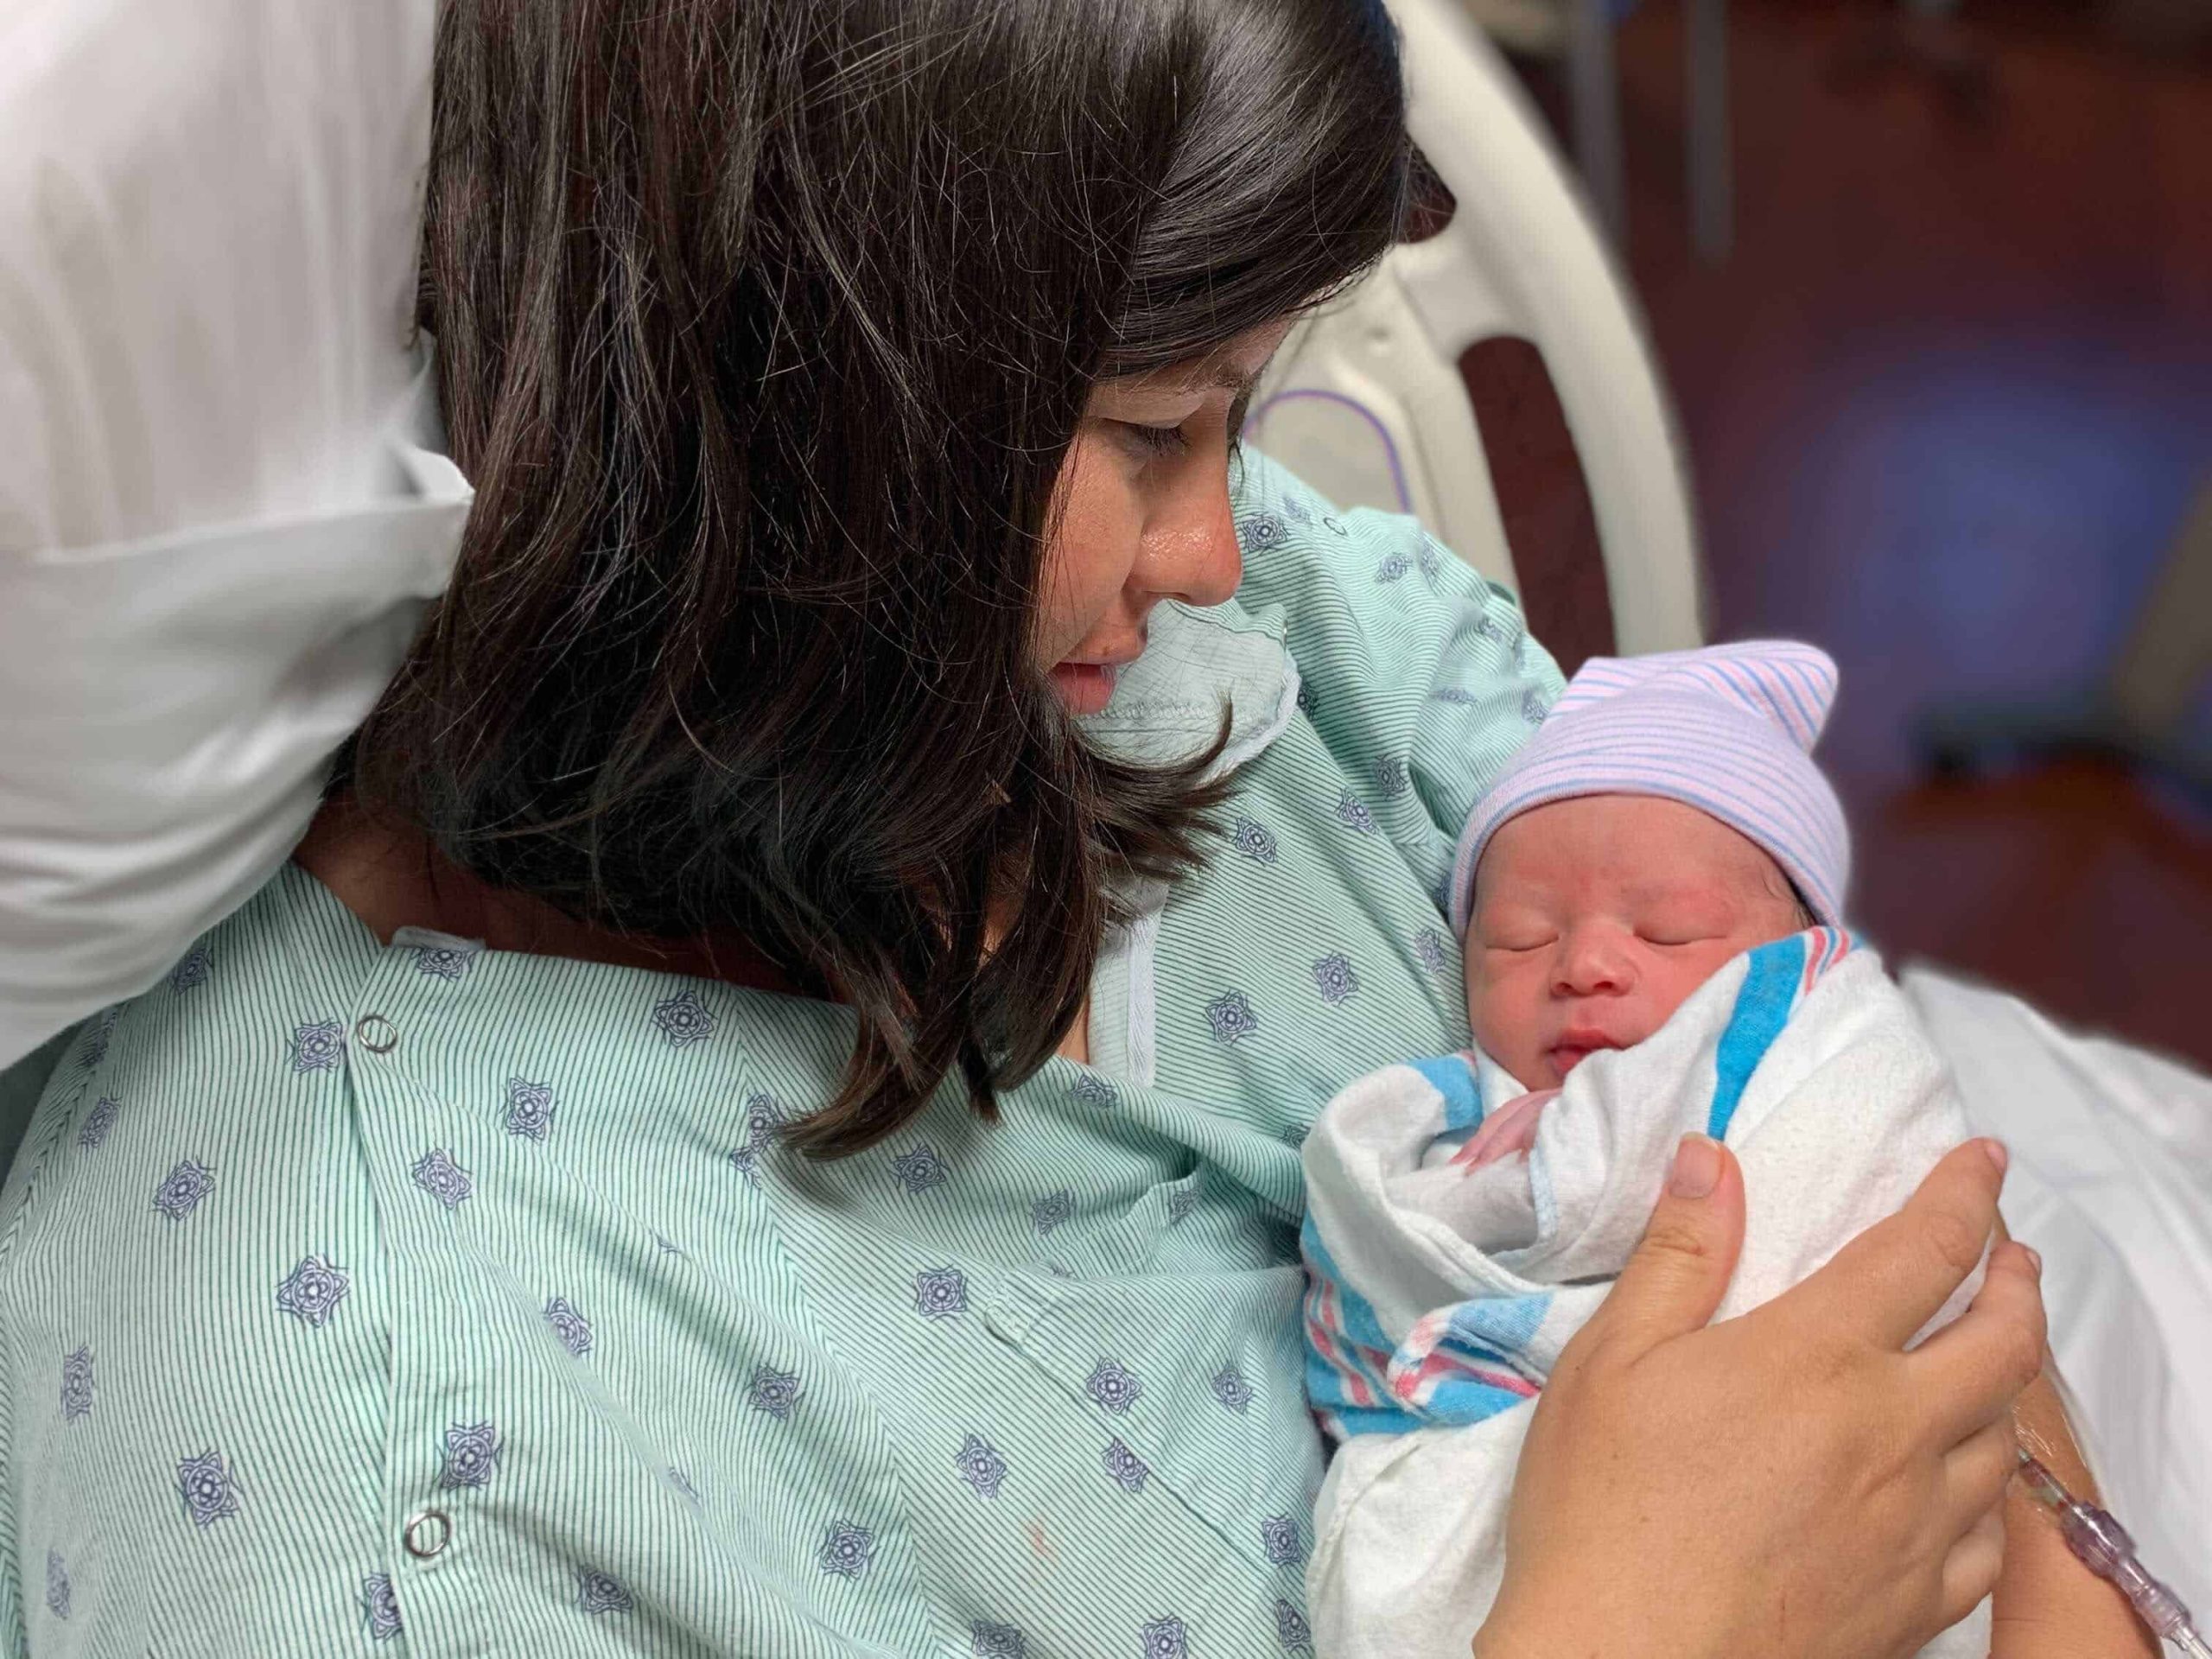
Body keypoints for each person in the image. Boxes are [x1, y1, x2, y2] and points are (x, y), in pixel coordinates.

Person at [0, 1, 2067, 1655]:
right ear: (789, 390)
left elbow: (1839, 1105)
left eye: (1241, 416)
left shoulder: (1219, 630)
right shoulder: (376, 1461)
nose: (1216, 540)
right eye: (1154, 427)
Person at [1300, 642, 2150, 1656]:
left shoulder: (1818, 1050)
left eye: (1666, 932)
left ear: (1798, 955)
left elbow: (1858, 1160)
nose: (1584, 964)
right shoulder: (1453, 1118)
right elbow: (1379, 1253)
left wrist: (1575, 1163)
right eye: (1520, 938)